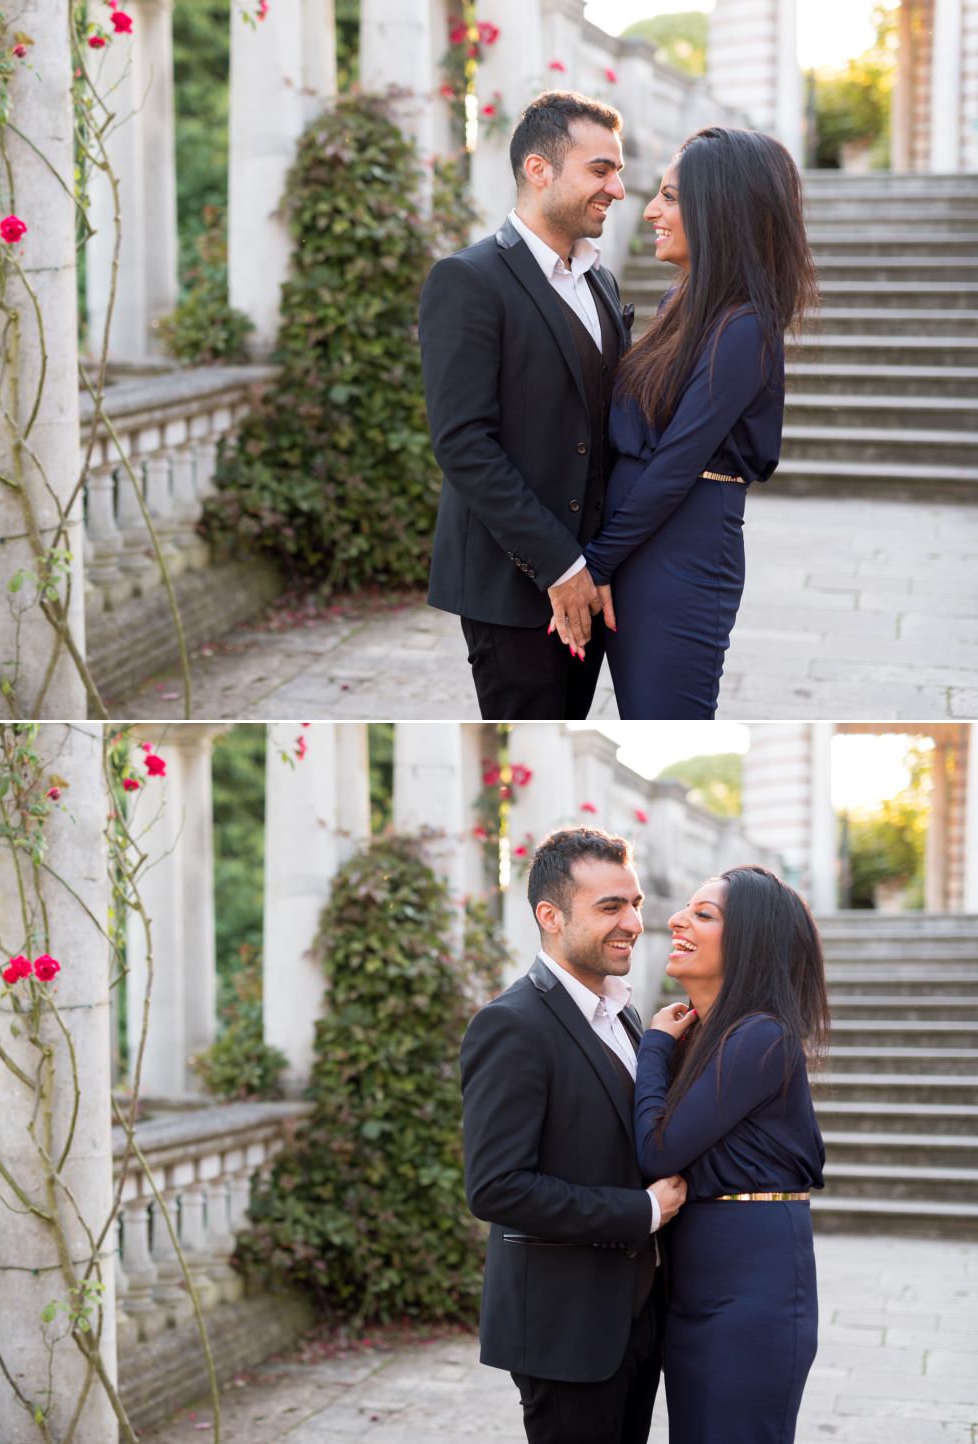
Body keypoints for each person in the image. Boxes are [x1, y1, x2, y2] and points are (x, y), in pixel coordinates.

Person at [550, 126, 818, 718]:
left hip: (682, 555)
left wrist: (594, 566)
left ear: (721, 208)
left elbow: (676, 463)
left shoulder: (744, 326)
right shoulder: (684, 303)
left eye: (670, 197)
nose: (648, 211)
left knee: (665, 716)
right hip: (638, 542)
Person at [460, 827, 687, 1444]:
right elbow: (496, 1188)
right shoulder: (511, 1026)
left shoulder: (626, 1014)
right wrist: (639, 1210)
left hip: (635, 1318)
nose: (634, 922)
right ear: (551, 916)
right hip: (564, 1329)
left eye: (635, 903)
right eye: (610, 906)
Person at [420, 91, 634, 721]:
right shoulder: (468, 280)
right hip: (510, 592)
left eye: (616, 171)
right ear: (540, 170)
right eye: (601, 170)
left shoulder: (600, 278)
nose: (617, 189)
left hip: (593, 585)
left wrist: (602, 561)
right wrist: (558, 564)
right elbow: (463, 443)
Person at [634, 865, 829, 1444]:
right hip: (700, 1286)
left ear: (749, 941)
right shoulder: (713, 1036)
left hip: (751, 1291)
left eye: (704, 914)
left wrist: (654, 1046)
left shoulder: (760, 1035)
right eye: (686, 908)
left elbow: (657, 1149)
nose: (676, 920)